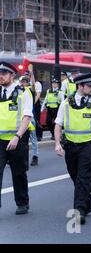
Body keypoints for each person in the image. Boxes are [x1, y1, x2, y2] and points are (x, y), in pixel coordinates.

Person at [54, 73, 91, 225]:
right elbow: (58, 124)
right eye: (89, 86)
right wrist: (57, 143)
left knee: (83, 178)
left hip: (88, 146)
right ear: (80, 86)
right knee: (75, 176)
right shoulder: (65, 103)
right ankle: (87, 204)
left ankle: (79, 211)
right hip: (70, 146)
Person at [0, 62, 33, 215]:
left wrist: (17, 136)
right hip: (0, 139)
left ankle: (22, 202)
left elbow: (27, 117)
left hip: (17, 139)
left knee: (18, 173)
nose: (0, 76)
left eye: (4, 73)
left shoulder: (23, 93)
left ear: (12, 75)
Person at [19, 76, 39, 167]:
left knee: (33, 139)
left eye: (24, 82)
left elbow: (34, 85)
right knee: (21, 141)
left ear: (28, 82)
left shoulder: (30, 90)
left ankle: (35, 156)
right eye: (21, 82)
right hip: (21, 119)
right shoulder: (19, 92)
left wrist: (31, 74)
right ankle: (22, 159)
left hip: (30, 119)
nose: (22, 83)